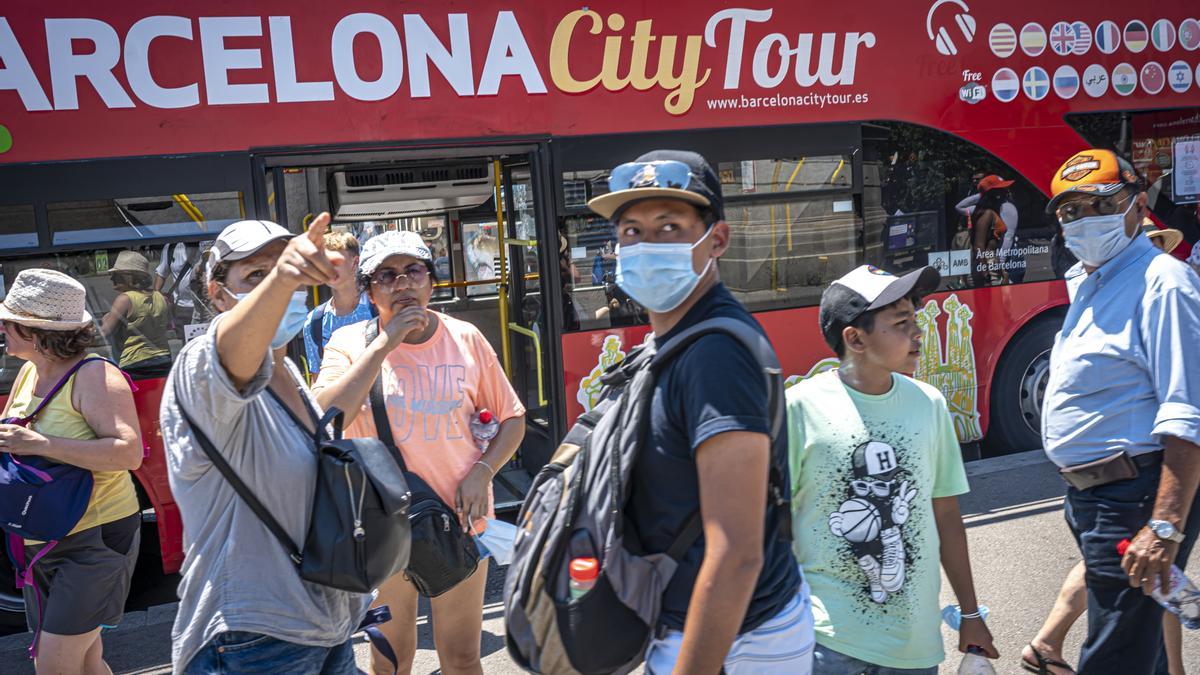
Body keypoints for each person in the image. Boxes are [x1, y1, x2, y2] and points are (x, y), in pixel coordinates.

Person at [585, 150, 811, 674]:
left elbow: (736, 554)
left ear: (717, 239)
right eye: (632, 232)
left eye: (670, 227)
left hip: (736, 643)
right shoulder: (677, 339)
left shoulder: (715, 356)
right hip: (697, 630)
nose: (646, 246)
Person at [160, 216, 371, 674]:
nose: (282, 286)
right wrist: (285, 272)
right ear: (217, 295)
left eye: (286, 271)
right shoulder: (203, 362)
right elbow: (231, 351)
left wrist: (386, 341)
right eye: (257, 275)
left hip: (325, 628)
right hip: (251, 639)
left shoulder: (288, 372)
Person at [313, 229, 526, 675]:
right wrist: (384, 344)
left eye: (413, 271)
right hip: (380, 528)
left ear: (431, 281)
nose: (402, 283)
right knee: (392, 659)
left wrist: (483, 471)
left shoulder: (464, 337)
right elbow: (325, 418)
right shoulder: (349, 344)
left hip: (460, 522)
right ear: (370, 291)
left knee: (462, 657)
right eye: (386, 276)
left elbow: (512, 419)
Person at [787, 265, 998, 673]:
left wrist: (971, 615)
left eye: (915, 320)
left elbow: (946, 516)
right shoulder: (799, 408)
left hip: (912, 646)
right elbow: (770, 520)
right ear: (855, 338)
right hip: (825, 641)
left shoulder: (929, 404)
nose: (917, 333)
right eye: (901, 323)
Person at [1040, 150, 1200, 675]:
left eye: (1100, 204)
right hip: (1095, 497)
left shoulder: (1163, 283)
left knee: (1113, 659)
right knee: (1139, 652)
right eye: (1070, 211)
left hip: (1134, 497)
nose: (1084, 220)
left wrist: (1164, 526)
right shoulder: (1091, 282)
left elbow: (1187, 413)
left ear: (1135, 205)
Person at [0, 269, 143, 674]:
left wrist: (42, 445)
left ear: (35, 331)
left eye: (8, 322)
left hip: (93, 540)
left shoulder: (96, 374)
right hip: (42, 540)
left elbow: (128, 453)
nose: (1, 329)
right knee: (87, 661)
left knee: (54, 665)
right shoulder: (29, 370)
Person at [301, 230, 375, 378]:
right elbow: (318, 380)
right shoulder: (315, 321)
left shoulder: (378, 308)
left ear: (355, 263)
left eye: (334, 262)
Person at [100, 250, 173, 377]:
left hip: (135, 365)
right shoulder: (162, 298)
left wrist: (105, 319)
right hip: (164, 360)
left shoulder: (125, 299)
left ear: (129, 276)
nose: (111, 278)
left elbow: (104, 333)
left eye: (116, 275)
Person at [960, 175, 1017, 286]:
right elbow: (979, 246)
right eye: (1001, 189)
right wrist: (987, 274)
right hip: (988, 264)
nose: (1005, 191)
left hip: (989, 262)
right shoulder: (987, 214)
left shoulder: (989, 211)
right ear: (993, 193)